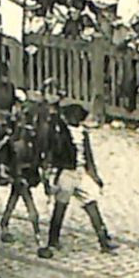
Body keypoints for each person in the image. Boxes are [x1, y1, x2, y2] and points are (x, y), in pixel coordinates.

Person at [41, 102, 117, 257]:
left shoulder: (82, 133)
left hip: (79, 172)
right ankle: (53, 239)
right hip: (66, 173)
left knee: (91, 203)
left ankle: (103, 239)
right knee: (62, 206)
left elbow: (89, 157)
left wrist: (94, 176)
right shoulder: (61, 131)